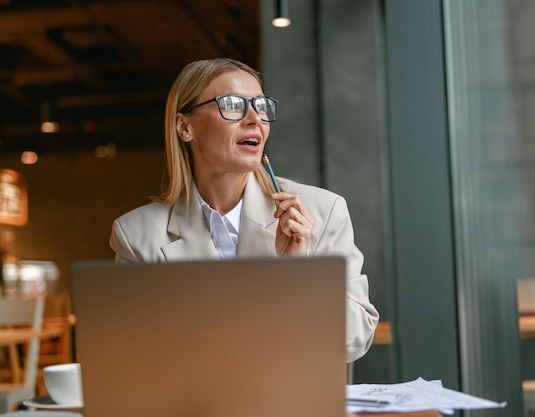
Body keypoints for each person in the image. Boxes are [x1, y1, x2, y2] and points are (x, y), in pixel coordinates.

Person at [109, 58, 379, 363]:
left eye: (261, 106)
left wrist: (297, 275)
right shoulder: (135, 235)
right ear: (185, 127)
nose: (255, 119)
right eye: (233, 105)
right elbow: (130, 352)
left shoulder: (324, 210)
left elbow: (355, 340)